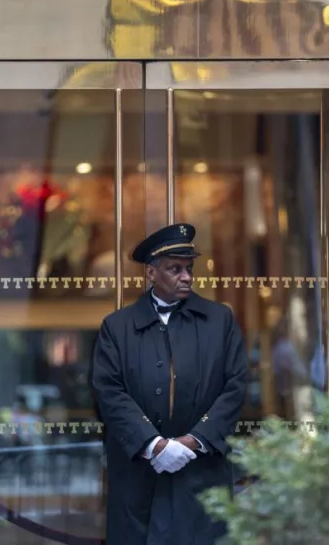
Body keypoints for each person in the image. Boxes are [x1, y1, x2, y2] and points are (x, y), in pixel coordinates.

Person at [90, 223, 248, 545]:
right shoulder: (117, 327)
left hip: (201, 473)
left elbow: (235, 386)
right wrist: (154, 445)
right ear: (151, 273)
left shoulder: (220, 321)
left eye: (189, 268)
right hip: (139, 477)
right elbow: (109, 392)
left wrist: (193, 441)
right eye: (175, 269)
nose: (187, 277)